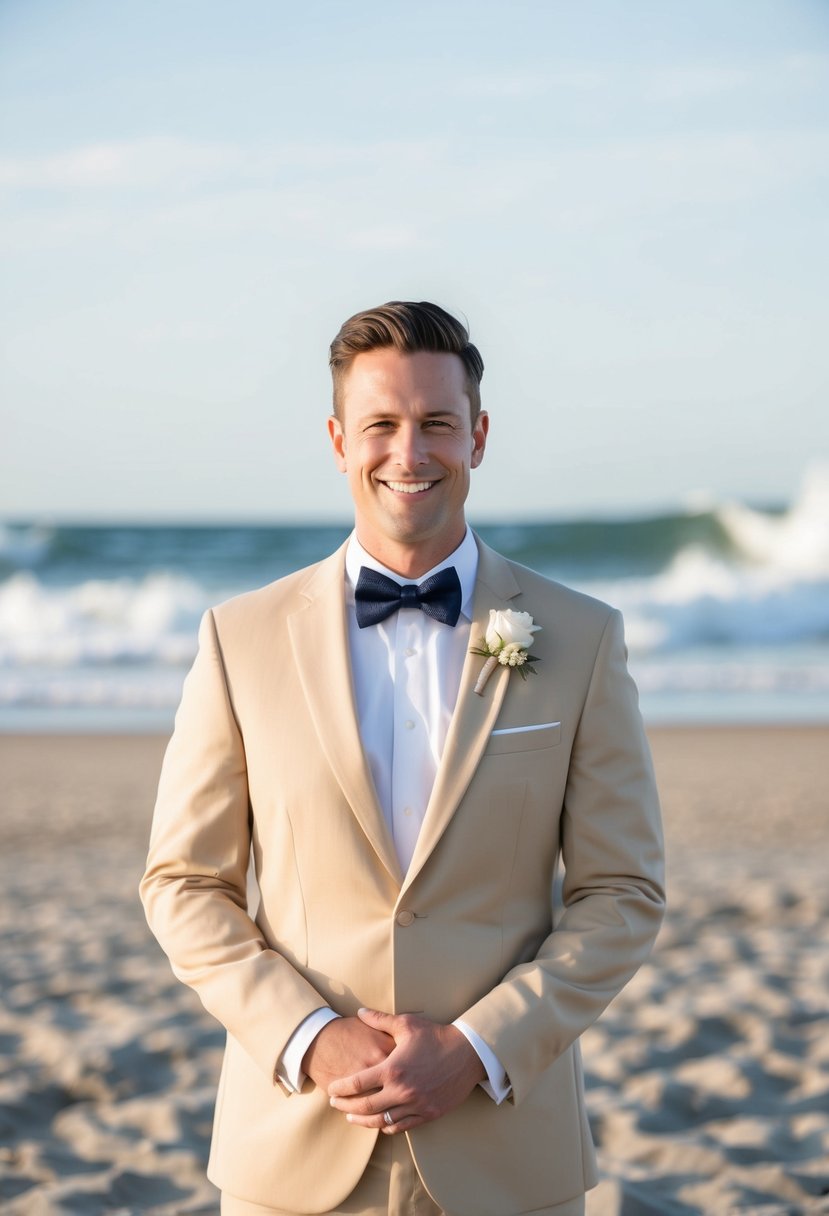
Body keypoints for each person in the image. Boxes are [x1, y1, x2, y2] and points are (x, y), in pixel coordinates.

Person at [140, 300, 665, 1216]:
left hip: (505, 1152)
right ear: (339, 440)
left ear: (479, 436)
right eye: (381, 424)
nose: (409, 454)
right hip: (296, 1147)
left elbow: (620, 894)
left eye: (436, 425)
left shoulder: (581, 639)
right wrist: (311, 1035)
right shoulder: (240, 640)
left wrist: (477, 1047)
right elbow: (184, 885)